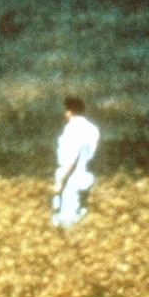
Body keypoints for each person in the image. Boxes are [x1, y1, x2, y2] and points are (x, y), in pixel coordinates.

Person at [52, 97, 99, 228]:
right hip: (84, 173)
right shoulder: (92, 129)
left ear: (69, 111)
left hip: (69, 176)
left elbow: (72, 158)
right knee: (81, 214)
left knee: (65, 219)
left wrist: (61, 182)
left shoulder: (71, 129)